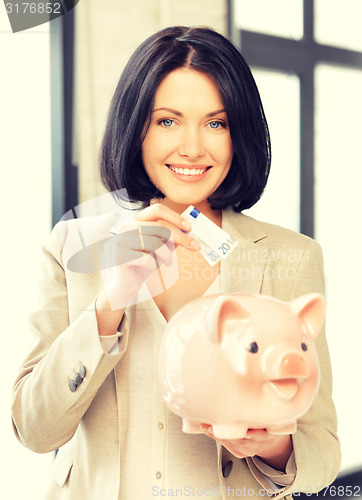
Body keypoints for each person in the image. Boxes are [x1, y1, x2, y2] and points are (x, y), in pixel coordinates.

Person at [11, 26, 340, 499]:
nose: (191, 148)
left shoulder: (291, 257)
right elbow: (33, 430)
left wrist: (272, 444)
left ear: (238, 133)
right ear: (135, 128)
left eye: (216, 123)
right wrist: (110, 302)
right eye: (167, 121)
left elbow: (323, 454)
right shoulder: (74, 246)